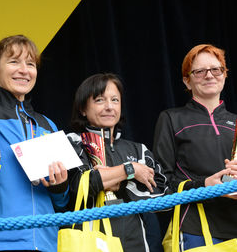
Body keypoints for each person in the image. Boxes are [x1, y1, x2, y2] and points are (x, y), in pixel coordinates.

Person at [0, 35, 69, 251]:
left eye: (30, 64)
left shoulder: (47, 124)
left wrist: (60, 187)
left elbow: (61, 204)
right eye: (14, 61)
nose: (24, 70)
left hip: (46, 244)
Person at [67, 73, 169, 252]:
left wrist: (114, 179)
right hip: (89, 243)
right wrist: (130, 170)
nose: (109, 107)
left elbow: (161, 193)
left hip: (136, 243)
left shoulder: (139, 150)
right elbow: (78, 186)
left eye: (115, 100)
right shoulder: (72, 142)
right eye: (99, 100)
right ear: (83, 108)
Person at [153, 44, 237, 250]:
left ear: (225, 75)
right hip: (194, 228)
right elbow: (160, 185)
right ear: (187, 81)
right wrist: (205, 185)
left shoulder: (236, 122)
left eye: (216, 69)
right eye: (199, 71)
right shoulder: (171, 118)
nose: (209, 76)